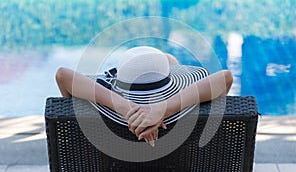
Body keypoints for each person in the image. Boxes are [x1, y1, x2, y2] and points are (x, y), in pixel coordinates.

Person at [55, 46, 233, 147]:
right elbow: (225, 78)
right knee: (170, 59)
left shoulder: (103, 106)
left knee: (168, 59)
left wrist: (125, 107)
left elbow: (63, 75)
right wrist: (163, 108)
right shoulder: (187, 105)